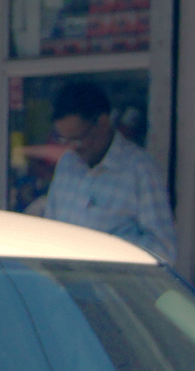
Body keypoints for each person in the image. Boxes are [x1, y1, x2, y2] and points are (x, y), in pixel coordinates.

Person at [44, 81, 176, 261]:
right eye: (65, 140)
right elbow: (50, 230)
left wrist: (104, 246)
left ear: (103, 122)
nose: (73, 148)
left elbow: (164, 249)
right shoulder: (67, 163)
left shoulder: (139, 169)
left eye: (79, 139)